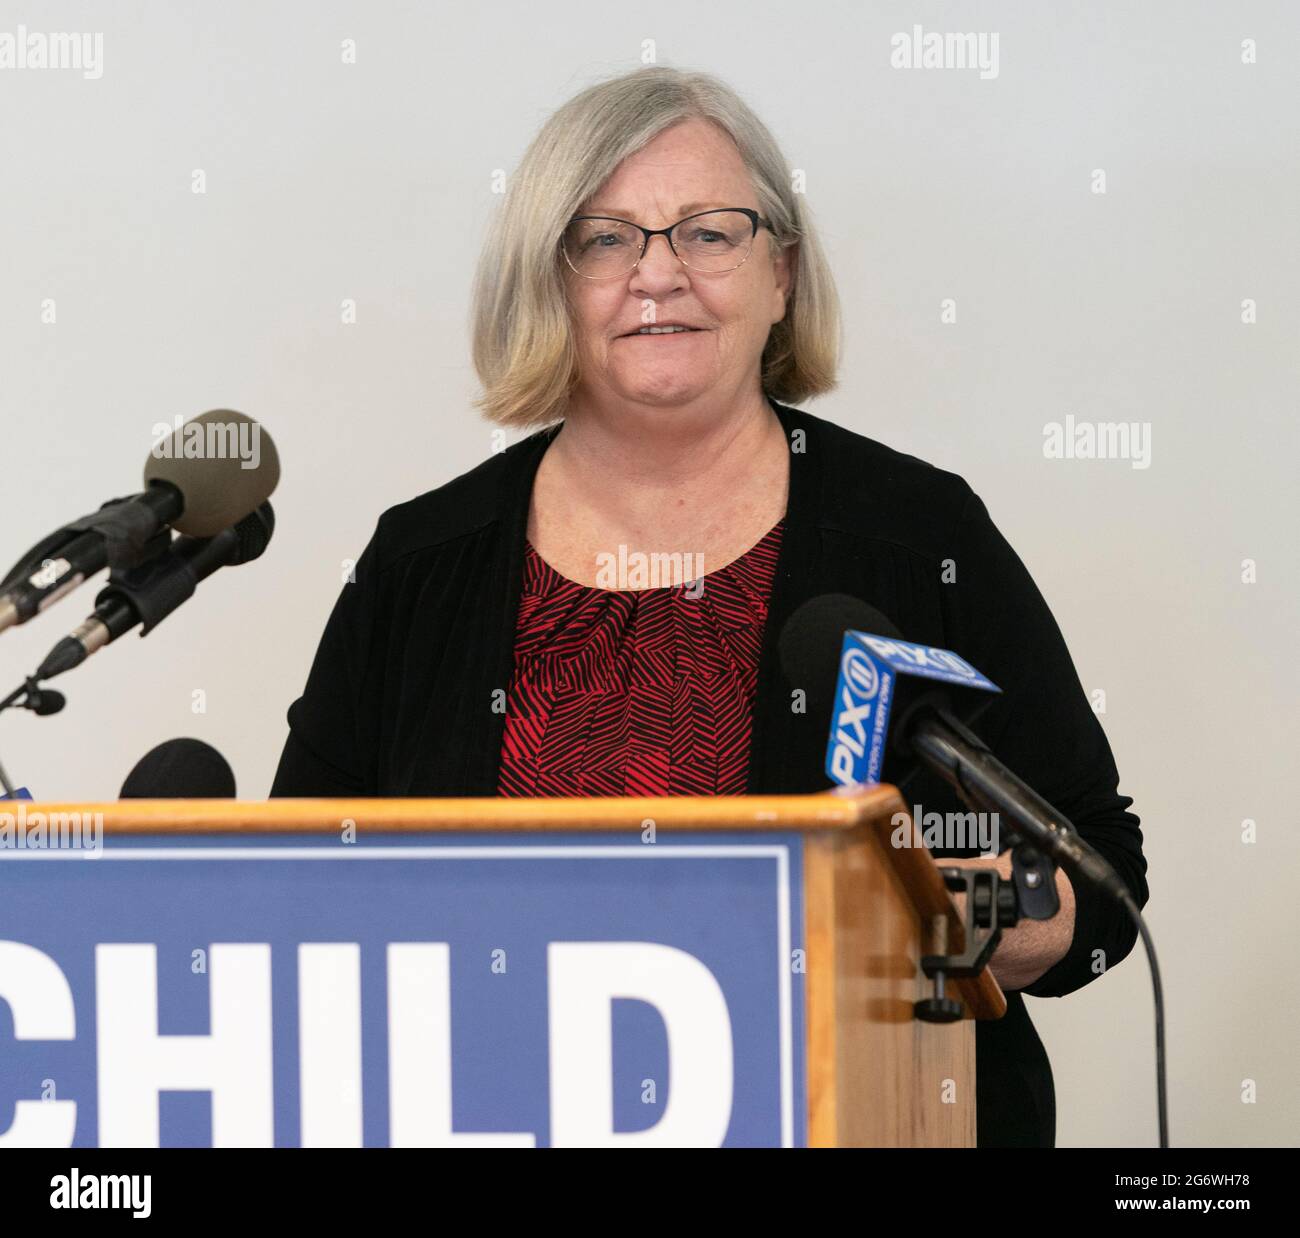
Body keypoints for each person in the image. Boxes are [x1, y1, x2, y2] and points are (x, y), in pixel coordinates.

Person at [271, 65, 1148, 1147]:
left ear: (780, 273)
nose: (658, 276)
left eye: (709, 233)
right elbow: (296, 888)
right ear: (545, 281)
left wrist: (970, 913)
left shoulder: (918, 537)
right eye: (604, 239)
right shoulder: (421, 561)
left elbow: (1101, 885)